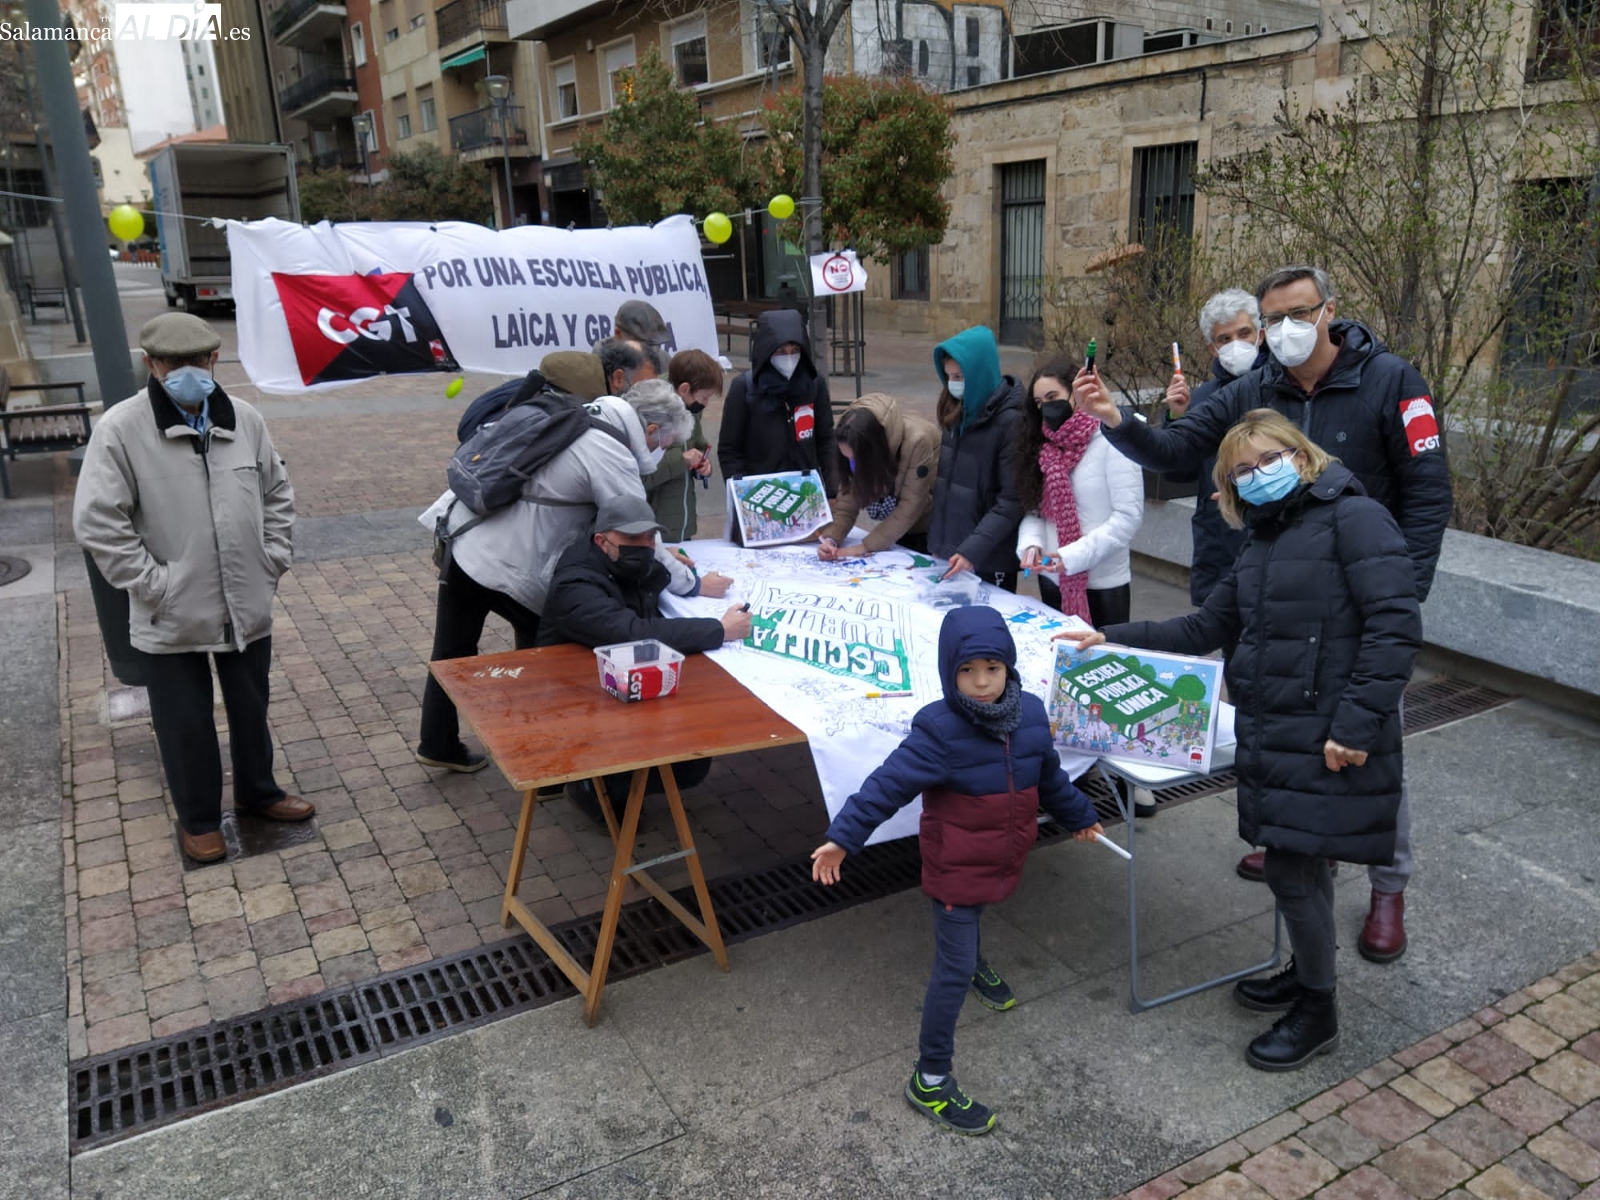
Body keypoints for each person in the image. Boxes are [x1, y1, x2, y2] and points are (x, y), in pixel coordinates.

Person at [1071, 265, 1452, 961]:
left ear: (1330, 310)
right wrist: (1116, 420)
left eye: (1298, 314)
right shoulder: (1255, 386)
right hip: (1280, 596)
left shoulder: (1392, 381)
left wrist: (1397, 598)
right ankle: (1302, 849)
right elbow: (1181, 449)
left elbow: (1428, 498)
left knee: (1370, 750)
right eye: (1272, 318)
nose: (1284, 330)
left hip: (1361, 611)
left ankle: (1387, 886)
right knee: (1283, 739)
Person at [1059, 409, 1420, 1071]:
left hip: (1325, 730)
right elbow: (1205, 627)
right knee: (1298, 863)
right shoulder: (1262, 539)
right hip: (1276, 727)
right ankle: (1309, 973)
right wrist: (1111, 637)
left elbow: (1394, 626)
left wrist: (1355, 725)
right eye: (1241, 471)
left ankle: (1318, 1010)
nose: (1256, 475)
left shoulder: (1355, 517)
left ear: (1301, 455)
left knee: (1292, 867)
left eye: (1267, 459)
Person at [811, 606, 1104, 1135]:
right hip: (954, 866)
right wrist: (843, 838)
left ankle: (972, 962)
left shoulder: (1031, 714)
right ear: (950, 672)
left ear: (1009, 666)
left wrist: (1080, 815)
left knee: (972, 927)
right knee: (950, 967)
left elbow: (1050, 777)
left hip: (1003, 854)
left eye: (992, 668)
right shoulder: (940, 730)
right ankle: (930, 1078)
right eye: (967, 671)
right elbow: (886, 785)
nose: (982, 682)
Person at [73, 313, 312, 863]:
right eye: (171, 363)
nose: (186, 372)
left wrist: (271, 558)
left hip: (245, 598)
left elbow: (276, 492)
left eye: (196, 361)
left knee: (251, 706)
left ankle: (259, 793)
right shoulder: (121, 428)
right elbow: (98, 522)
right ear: (151, 365)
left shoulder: (244, 419)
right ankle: (200, 818)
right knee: (184, 722)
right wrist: (154, 585)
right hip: (170, 610)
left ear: (214, 360)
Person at [414, 392, 708, 773]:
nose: (661, 452)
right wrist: (693, 584)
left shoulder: (586, 414)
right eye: (664, 443)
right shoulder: (611, 452)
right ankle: (543, 762)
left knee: (451, 650)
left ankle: (437, 744)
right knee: (549, 657)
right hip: (508, 562)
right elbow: (640, 533)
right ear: (650, 429)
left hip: (465, 535)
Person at [538, 494, 753, 821]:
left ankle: (615, 777)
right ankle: (592, 783)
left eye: (650, 537)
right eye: (632, 538)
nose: (644, 546)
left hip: (614, 674)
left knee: (695, 749)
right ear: (601, 541)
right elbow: (631, 634)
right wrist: (719, 629)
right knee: (688, 762)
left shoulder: (622, 560)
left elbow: (646, 602)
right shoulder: (576, 582)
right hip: (575, 691)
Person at [1013, 356, 1143, 629]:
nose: (1047, 407)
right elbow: (1036, 510)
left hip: (1103, 584)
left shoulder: (1112, 440)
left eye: (1053, 397)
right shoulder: (1043, 445)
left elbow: (1127, 517)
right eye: (1039, 402)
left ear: (1075, 393)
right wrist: (1031, 545)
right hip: (1052, 578)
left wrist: (1072, 556)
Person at [1161, 290, 1263, 606]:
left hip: (1272, 543)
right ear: (1212, 348)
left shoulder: (1283, 387)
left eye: (1244, 333)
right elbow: (1179, 472)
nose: (1236, 344)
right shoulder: (1203, 398)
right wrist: (1177, 417)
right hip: (1218, 547)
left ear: (1260, 335)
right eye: (1225, 339)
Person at [926, 326, 1025, 589]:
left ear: (978, 373)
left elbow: (1011, 501)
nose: (953, 384)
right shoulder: (956, 412)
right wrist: (939, 543)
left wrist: (972, 550)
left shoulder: (1012, 422)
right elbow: (946, 486)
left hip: (990, 558)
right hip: (954, 554)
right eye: (949, 377)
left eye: (959, 376)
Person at [716, 309, 836, 495]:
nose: (788, 357)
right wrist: (742, 494)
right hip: (760, 493)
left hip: (806, 490)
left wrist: (833, 489)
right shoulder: (744, 388)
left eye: (795, 350)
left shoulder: (813, 384)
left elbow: (826, 439)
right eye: (780, 351)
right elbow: (730, 450)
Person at [814, 393, 941, 558]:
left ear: (875, 450)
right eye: (847, 458)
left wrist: (865, 547)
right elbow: (847, 499)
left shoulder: (917, 442)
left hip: (928, 525)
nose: (852, 465)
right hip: (896, 526)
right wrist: (831, 538)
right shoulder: (854, 437)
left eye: (856, 460)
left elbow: (911, 505)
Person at [643, 350, 721, 539]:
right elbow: (642, 475)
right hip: (654, 525)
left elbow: (698, 444)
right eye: (704, 396)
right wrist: (682, 460)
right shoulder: (651, 412)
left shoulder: (691, 410)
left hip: (683, 522)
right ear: (684, 389)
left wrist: (703, 464)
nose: (706, 403)